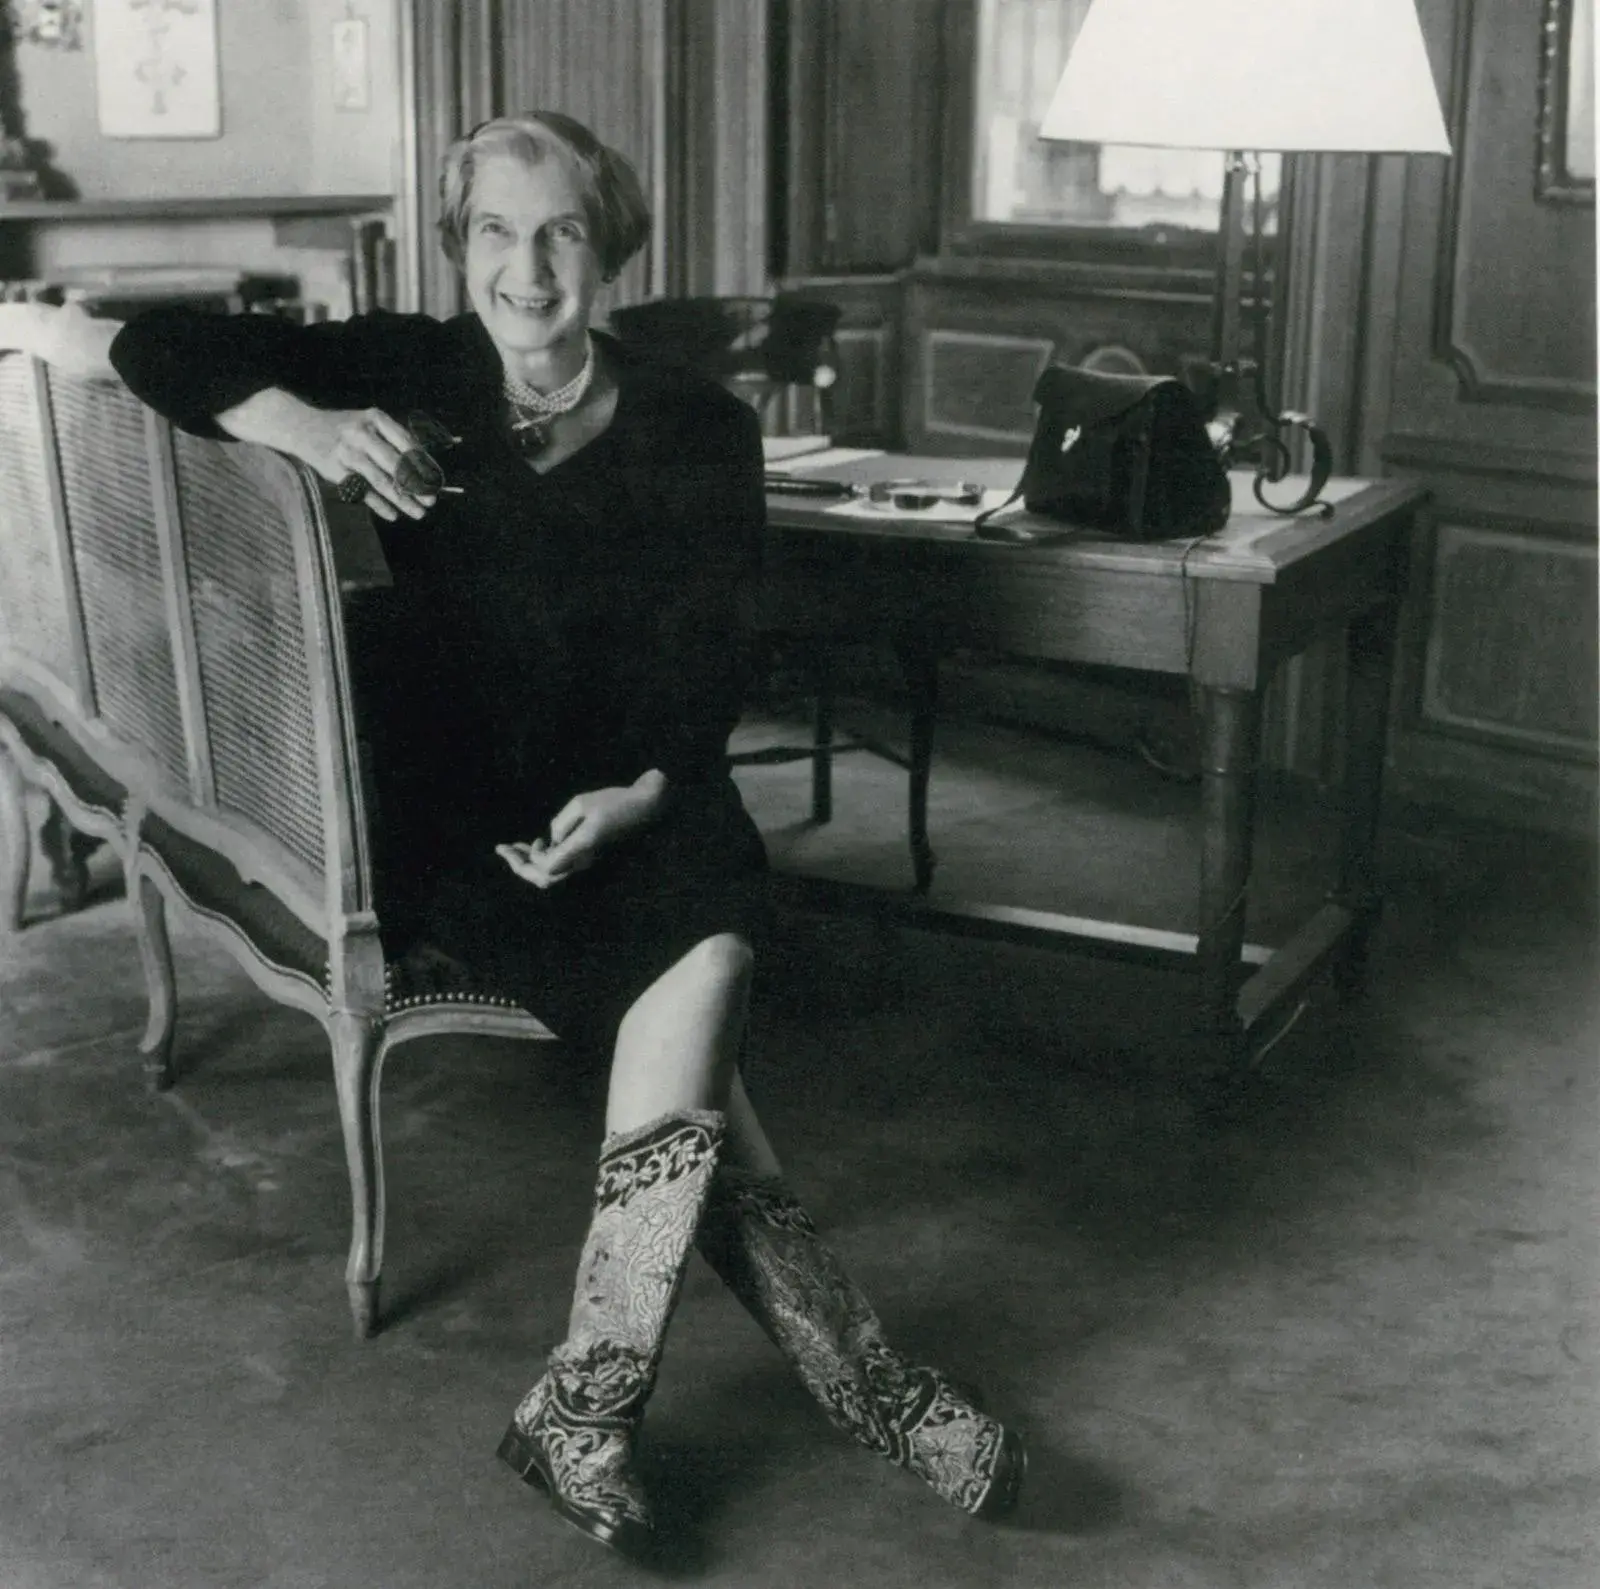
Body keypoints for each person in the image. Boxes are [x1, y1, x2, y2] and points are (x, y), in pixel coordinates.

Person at [109, 110, 1024, 1556]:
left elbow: (714, 658)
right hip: (458, 808)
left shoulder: (698, 426)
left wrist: (645, 791)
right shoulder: (408, 367)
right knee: (697, 1004)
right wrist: (302, 421)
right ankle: (856, 1376)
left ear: (609, 250)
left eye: (561, 233)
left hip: (639, 785)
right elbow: (149, 344)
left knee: (704, 943)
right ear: (456, 243)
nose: (525, 268)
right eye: (493, 230)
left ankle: (597, 1405)